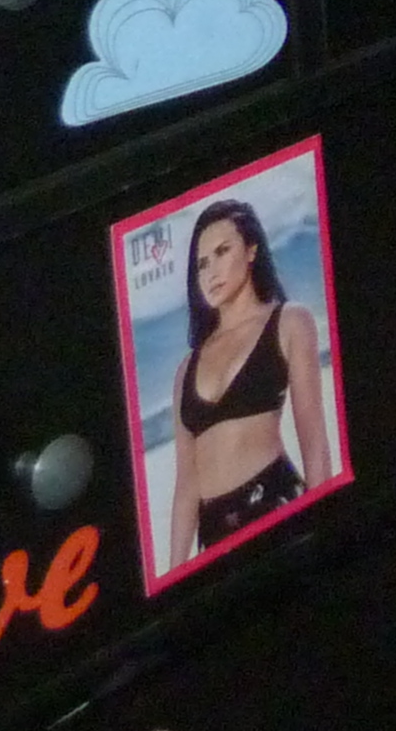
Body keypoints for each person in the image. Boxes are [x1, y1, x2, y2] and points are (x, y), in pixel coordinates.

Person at [163, 199, 340, 571]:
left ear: (251, 250)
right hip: (214, 534)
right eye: (202, 263)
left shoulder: (289, 321)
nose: (211, 271)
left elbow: (315, 443)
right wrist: (174, 579)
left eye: (222, 251)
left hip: (276, 505)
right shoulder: (185, 370)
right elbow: (186, 487)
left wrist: (326, 537)